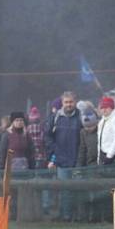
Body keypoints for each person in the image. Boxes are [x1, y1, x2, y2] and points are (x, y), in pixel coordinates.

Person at [45, 91, 83, 221]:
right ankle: (64, 215)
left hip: (77, 161)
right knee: (63, 189)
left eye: (71, 102)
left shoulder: (80, 118)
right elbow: (48, 136)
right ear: (62, 103)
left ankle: (76, 215)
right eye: (66, 102)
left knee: (76, 190)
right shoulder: (55, 118)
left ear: (75, 102)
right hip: (61, 161)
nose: (69, 105)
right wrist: (54, 154)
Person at [97, 96, 115, 165]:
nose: (104, 110)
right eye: (102, 108)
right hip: (103, 155)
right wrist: (99, 158)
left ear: (112, 108)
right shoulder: (102, 120)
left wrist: (109, 156)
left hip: (113, 157)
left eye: (106, 107)